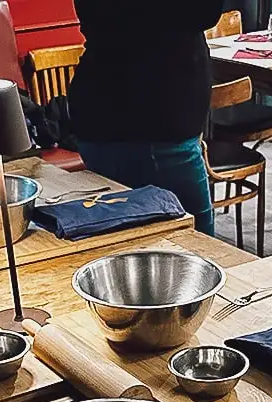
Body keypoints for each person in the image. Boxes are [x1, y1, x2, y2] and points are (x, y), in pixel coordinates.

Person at [70, 0, 224, 235]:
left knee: (131, 243)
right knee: (198, 245)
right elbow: (203, 11)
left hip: (118, 116)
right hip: (150, 129)